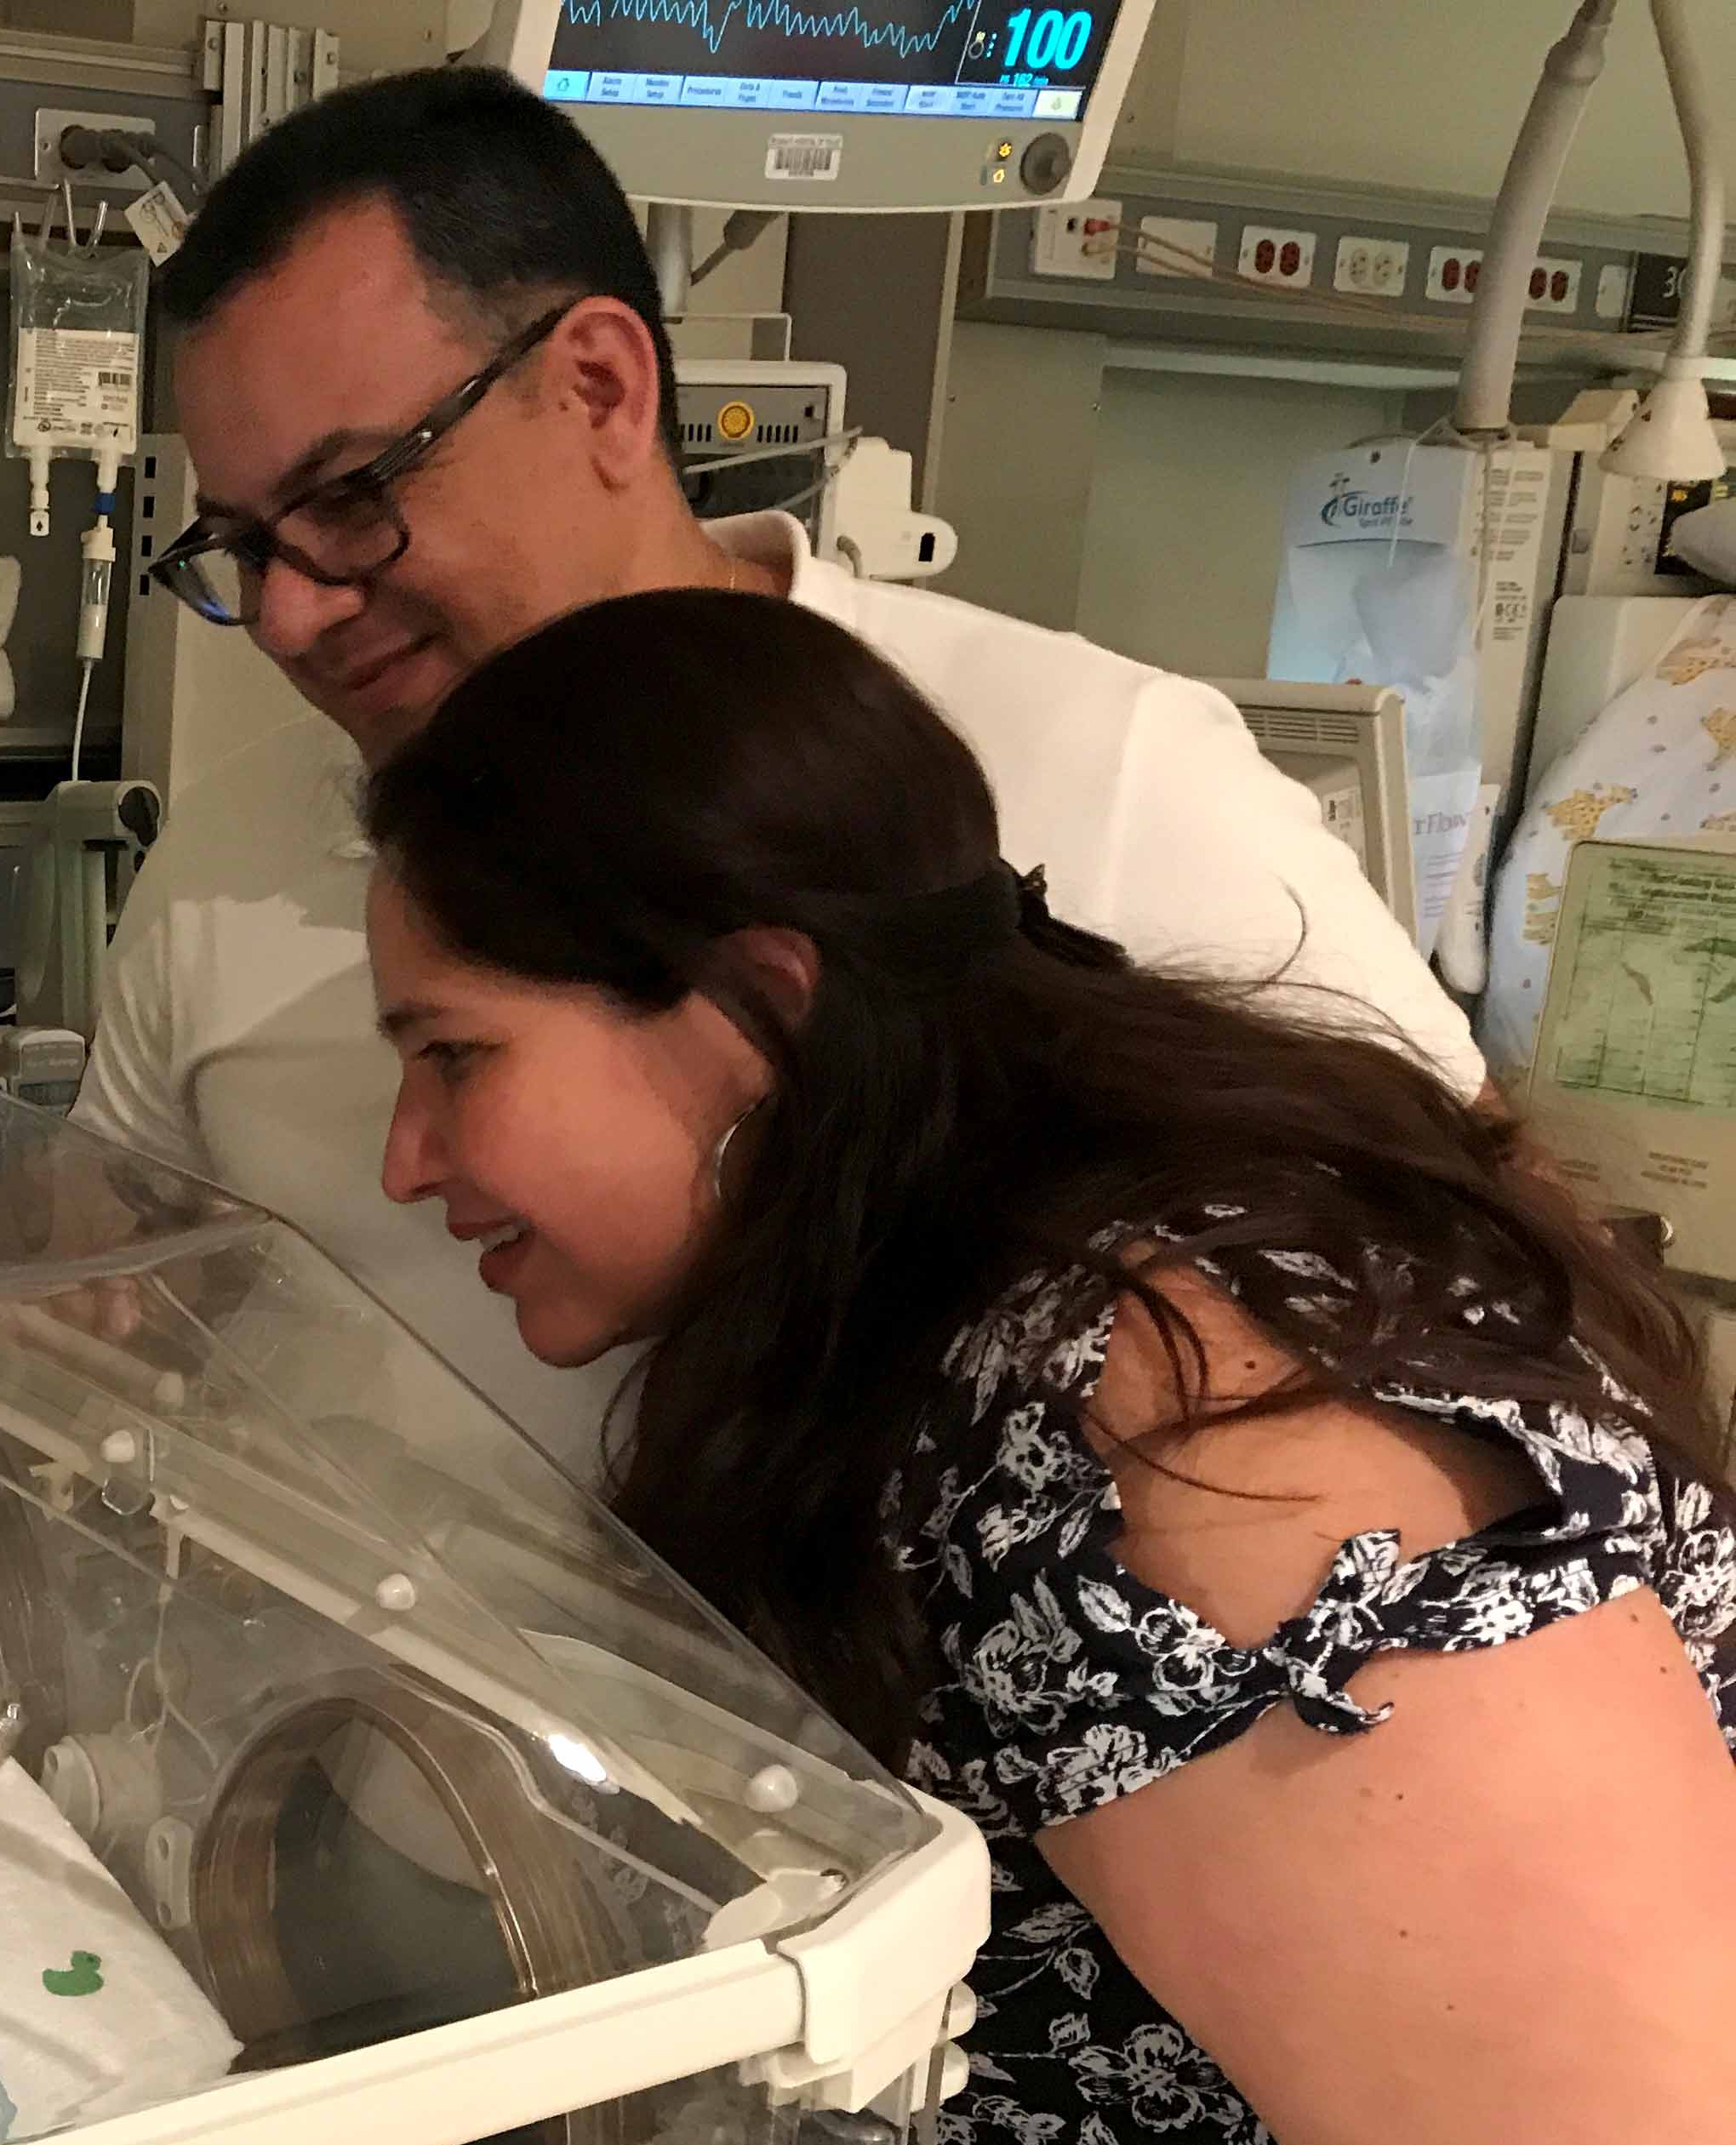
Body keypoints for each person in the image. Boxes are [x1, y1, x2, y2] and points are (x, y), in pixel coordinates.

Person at [363, 585, 1736, 2145]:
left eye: (455, 1055)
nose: (407, 1158)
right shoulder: (924, 1326)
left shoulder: (1199, 1418)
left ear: (760, 1006)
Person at [77, 66, 1482, 1491]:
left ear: (601, 389)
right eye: (244, 544)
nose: (290, 615)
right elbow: (98, 1271)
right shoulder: (235, 849)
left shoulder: (1108, 772)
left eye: (352, 500)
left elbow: (1477, 1317)